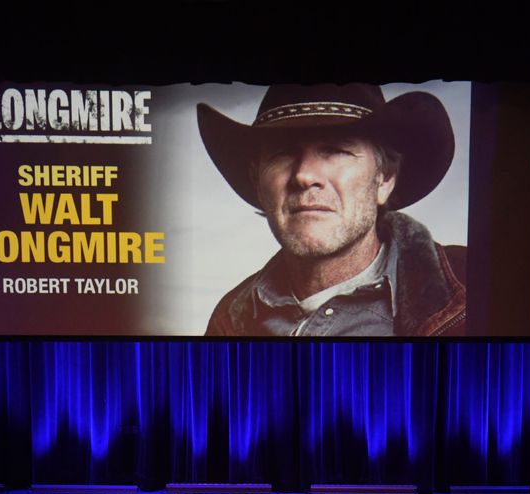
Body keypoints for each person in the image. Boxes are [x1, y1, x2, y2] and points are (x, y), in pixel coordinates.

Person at [198, 83, 466, 337]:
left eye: (335, 150)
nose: (304, 175)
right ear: (258, 183)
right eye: (283, 153)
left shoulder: (476, 288)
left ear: (385, 178)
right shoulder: (229, 320)